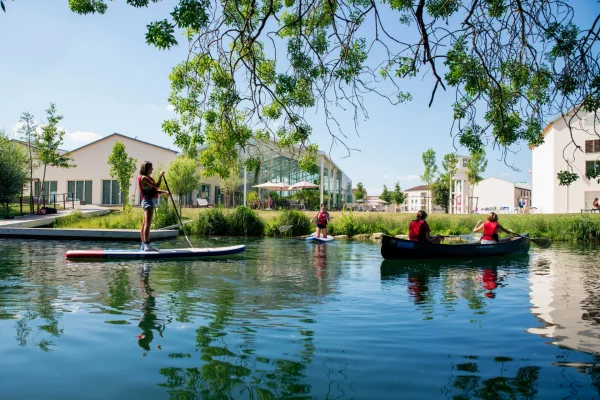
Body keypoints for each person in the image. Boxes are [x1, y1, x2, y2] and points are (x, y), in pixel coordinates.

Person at [138, 161, 170, 251]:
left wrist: (164, 192)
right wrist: (160, 175)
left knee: (144, 224)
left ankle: (144, 245)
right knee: (147, 225)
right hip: (148, 203)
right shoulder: (144, 178)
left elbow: (154, 190)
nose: (152, 169)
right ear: (147, 168)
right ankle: (147, 246)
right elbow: (157, 185)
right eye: (151, 167)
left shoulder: (147, 178)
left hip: (147, 201)